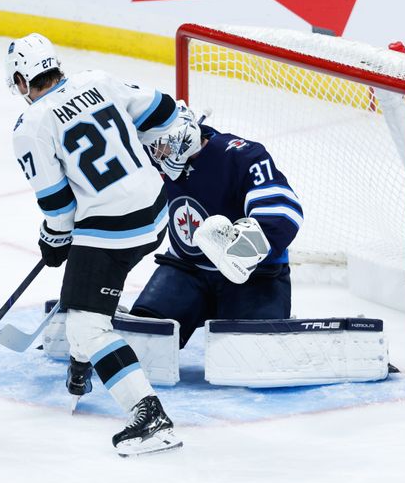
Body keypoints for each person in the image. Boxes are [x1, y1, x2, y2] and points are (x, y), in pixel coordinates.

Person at [5, 33, 186, 456]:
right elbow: (164, 111)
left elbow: (59, 206)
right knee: (85, 293)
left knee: (86, 324)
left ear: (20, 80)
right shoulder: (97, 79)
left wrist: (52, 241)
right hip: (157, 210)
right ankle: (81, 366)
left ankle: (150, 416)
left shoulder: (30, 126)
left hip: (113, 229)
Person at [128, 103, 303, 349]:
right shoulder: (158, 158)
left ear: (184, 138)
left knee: (250, 352)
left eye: (161, 146)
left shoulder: (241, 156)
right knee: (143, 343)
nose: (157, 154)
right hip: (185, 269)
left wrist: (246, 247)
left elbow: (283, 207)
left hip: (252, 276)